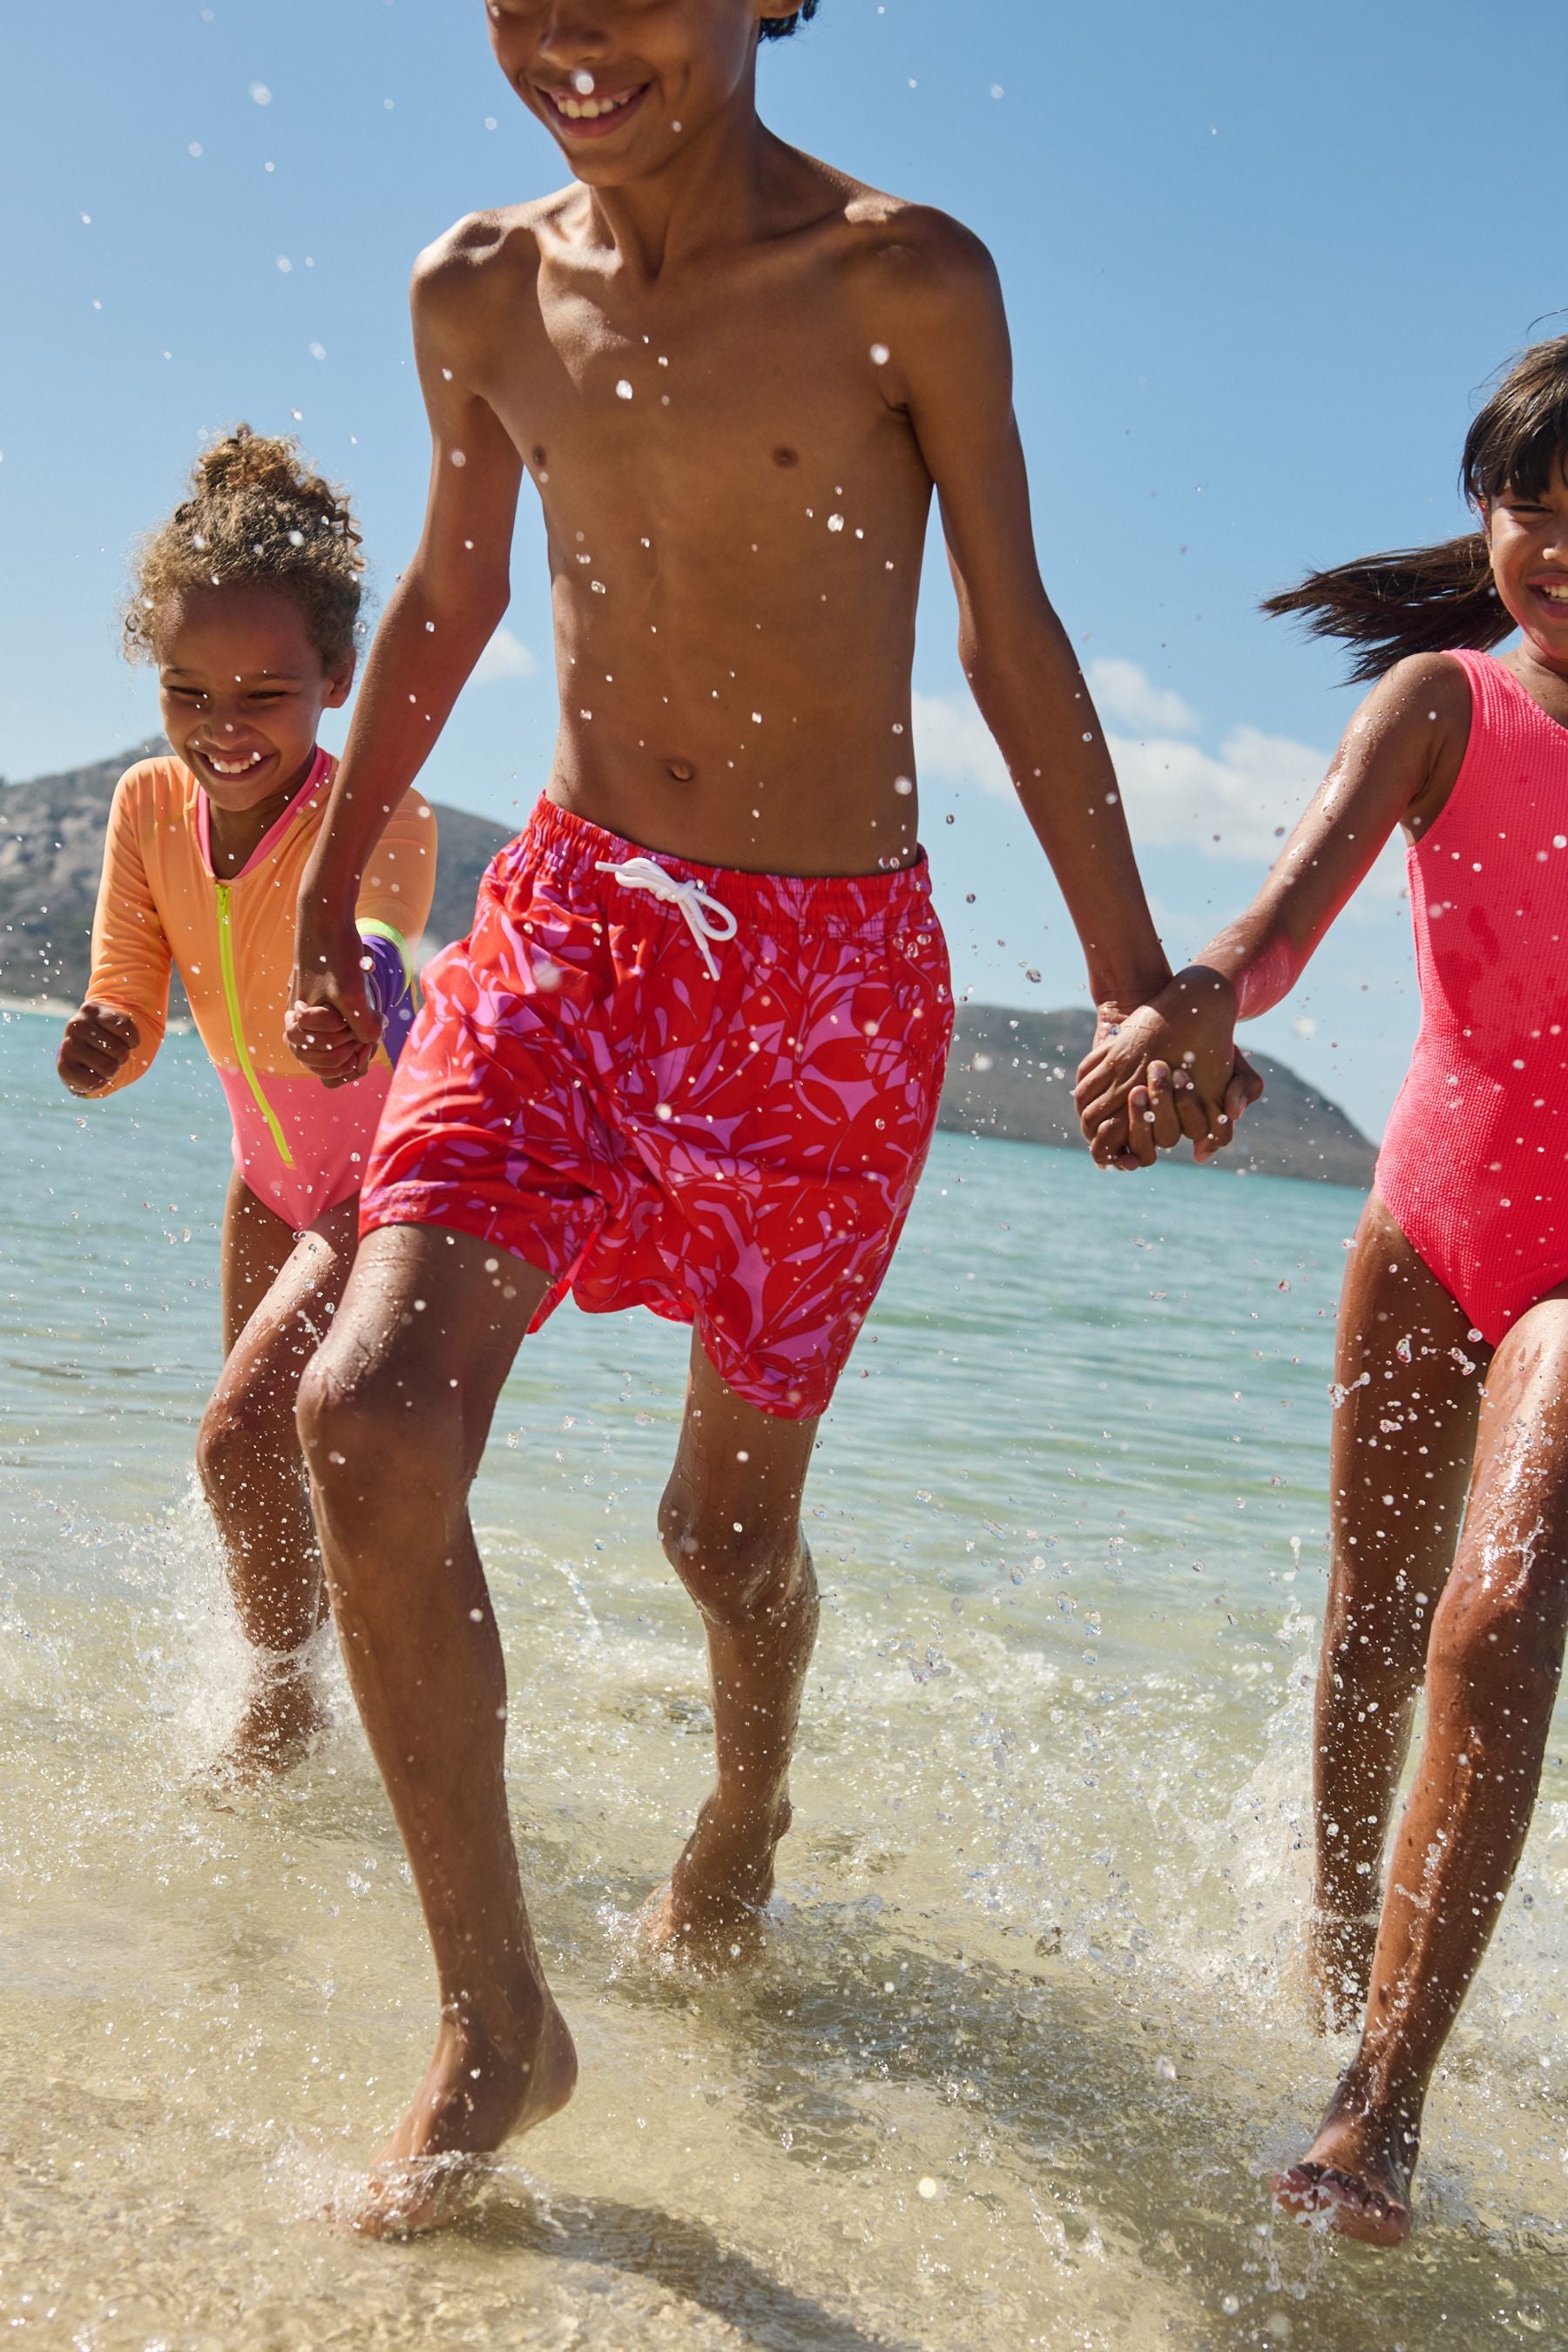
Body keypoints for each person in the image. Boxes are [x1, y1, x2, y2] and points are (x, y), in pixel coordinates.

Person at [287, 0, 1244, 2233]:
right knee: (372, 1410)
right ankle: (495, 2022)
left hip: (828, 992)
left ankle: (745, 1813)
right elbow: (449, 592)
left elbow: (1010, 631)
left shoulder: (903, 276)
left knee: (722, 1540)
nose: (569, 35)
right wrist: (337, 888)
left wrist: (1127, 977)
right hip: (574, 923)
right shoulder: (476, 287)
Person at [1075, 335, 1568, 2244]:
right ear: (1486, 511)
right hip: (1423, 1234)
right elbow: (1275, 927)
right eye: (1535, 504)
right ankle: (1333, 1954)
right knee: (1371, 1628)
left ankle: (1381, 2106)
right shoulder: (1441, 708)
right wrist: (1192, 1013)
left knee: (1499, 1614)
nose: (1560, 546)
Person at [59, 428, 436, 1780]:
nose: (224, 726)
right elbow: (132, 987)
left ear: (339, 680)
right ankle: (325, 1689)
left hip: (376, 1183)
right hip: (263, 1181)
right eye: (187, 692)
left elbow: (386, 954)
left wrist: (351, 998)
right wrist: (111, 1036)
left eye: (267, 692)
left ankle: (283, 1711)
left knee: (232, 1442)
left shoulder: (379, 811)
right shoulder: (146, 804)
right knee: (272, 1458)